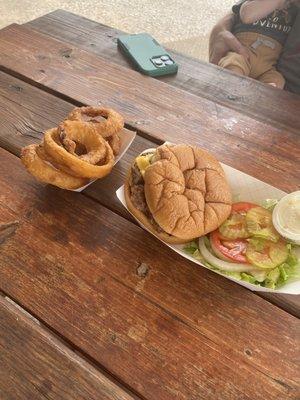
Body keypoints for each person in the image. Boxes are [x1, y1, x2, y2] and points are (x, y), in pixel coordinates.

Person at [209, 0, 300, 94]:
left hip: (269, 66)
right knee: (234, 62)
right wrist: (221, 30)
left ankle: (264, 96)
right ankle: (232, 87)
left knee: (277, 80)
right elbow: (244, 15)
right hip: (244, 53)